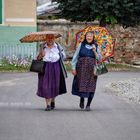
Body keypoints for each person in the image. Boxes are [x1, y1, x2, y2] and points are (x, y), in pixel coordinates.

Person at [71, 31, 102, 111]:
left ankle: (88, 105)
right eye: (88, 36)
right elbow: (75, 57)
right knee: (81, 85)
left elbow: (100, 59)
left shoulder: (96, 46)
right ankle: (82, 99)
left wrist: (95, 51)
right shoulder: (81, 45)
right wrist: (73, 68)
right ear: (85, 37)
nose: (89, 37)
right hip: (81, 68)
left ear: (93, 38)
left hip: (92, 69)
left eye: (91, 36)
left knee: (92, 87)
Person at [36, 34, 67, 111]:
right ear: (46, 39)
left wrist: (61, 54)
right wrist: (41, 55)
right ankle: (48, 105)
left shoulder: (58, 47)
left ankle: (52, 100)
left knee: (54, 86)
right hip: (45, 67)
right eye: (48, 38)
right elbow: (37, 58)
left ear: (54, 38)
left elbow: (64, 56)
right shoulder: (42, 47)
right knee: (46, 86)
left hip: (56, 67)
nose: (50, 39)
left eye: (51, 38)